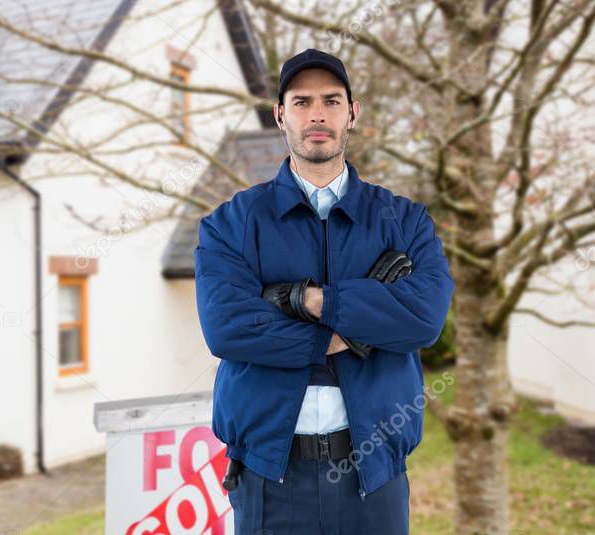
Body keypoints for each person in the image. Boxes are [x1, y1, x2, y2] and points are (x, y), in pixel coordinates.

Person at [194, 48, 455, 534]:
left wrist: (312, 301)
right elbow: (227, 328)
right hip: (269, 480)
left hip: (373, 479)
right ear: (280, 114)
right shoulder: (230, 224)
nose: (317, 114)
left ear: (352, 113)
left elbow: (424, 318)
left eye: (332, 101)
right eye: (302, 101)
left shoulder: (406, 221)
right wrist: (349, 332)